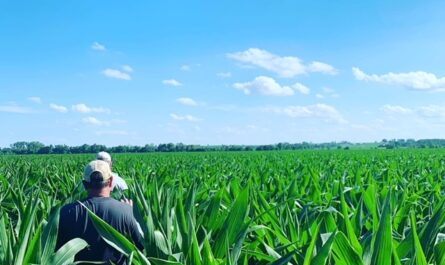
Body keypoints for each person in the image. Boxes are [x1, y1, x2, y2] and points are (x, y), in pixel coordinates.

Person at [56, 160, 144, 264]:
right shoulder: (127, 211)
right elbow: (142, 247)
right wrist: (132, 214)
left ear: (84, 184)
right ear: (111, 181)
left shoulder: (65, 212)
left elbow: (57, 252)